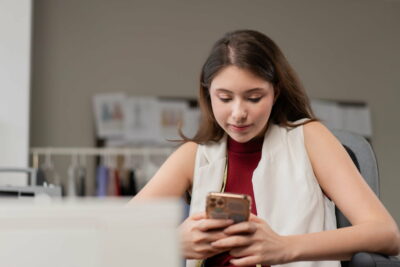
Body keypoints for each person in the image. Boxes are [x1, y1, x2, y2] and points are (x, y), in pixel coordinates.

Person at [132, 30, 400, 267]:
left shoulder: (310, 138)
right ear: (207, 94)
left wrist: (284, 248)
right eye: (224, 98)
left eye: (254, 97)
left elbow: (386, 234)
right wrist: (171, 242)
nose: (238, 113)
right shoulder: (195, 155)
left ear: (276, 93)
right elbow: (112, 231)